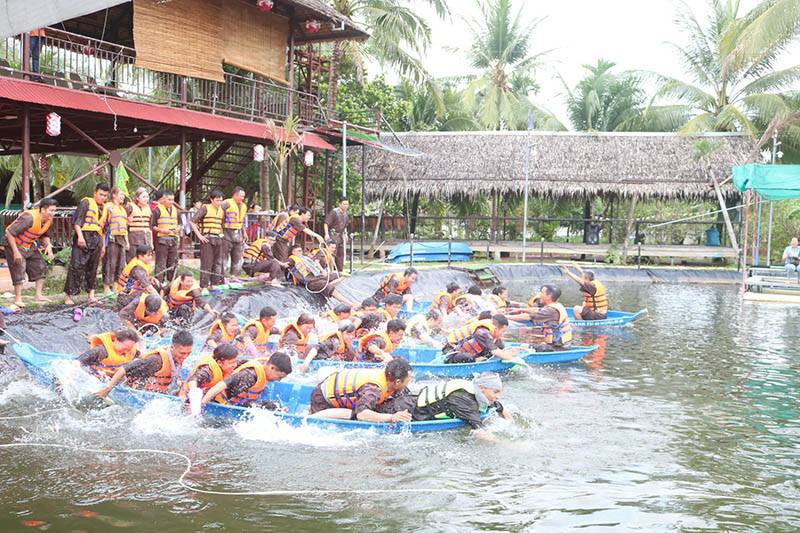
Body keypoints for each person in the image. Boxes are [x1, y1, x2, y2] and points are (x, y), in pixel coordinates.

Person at [413, 372, 513, 442]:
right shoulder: (465, 400)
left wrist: (510, 420)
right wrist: (508, 445)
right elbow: (480, 432)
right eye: (495, 392)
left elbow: (498, 406)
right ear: (482, 388)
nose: (498, 396)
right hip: (417, 415)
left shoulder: (475, 389)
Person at [94, 330, 194, 398]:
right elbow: (123, 369)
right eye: (182, 353)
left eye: (188, 353)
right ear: (172, 347)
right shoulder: (155, 361)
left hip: (158, 394)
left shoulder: (176, 357)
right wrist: (107, 389)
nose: (185, 357)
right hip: (136, 394)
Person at [309, 358, 413, 422]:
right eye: (408, 381)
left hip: (335, 386)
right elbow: (362, 414)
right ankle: (312, 414)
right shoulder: (373, 389)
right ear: (398, 382)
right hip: (323, 398)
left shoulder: (391, 381)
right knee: (355, 415)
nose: (408, 383)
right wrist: (392, 417)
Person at [4, 198, 57, 306]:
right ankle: (18, 299)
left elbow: (45, 235)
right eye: (51, 211)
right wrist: (16, 252)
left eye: (54, 211)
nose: (53, 213)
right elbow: (9, 232)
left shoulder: (48, 221)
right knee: (19, 268)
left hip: (30, 245)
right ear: (42, 209)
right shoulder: (29, 218)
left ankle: (38, 295)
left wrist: (48, 247)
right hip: (15, 244)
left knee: (40, 266)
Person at [64, 183, 110, 305]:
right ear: (95, 193)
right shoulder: (86, 202)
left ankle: (91, 295)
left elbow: (104, 229)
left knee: (93, 267)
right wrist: (80, 236)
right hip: (84, 236)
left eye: (105, 195)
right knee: (76, 266)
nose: (103, 197)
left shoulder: (105, 209)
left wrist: (103, 246)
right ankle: (69, 295)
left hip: (97, 239)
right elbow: (77, 222)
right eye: (101, 194)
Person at [200, 352, 293, 408]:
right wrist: (202, 404)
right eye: (279, 377)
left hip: (238, 404)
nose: (279, 380)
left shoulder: (263, 375)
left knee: (273, 406)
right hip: (220, 404)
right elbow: (222, 384)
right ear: (271, 368)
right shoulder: (250, 375)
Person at [286, 244, 354, 305]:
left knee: (339, 274)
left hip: (317, 276)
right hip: (310, 282)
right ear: (293, 252)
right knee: (327, 287)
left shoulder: (304, 258)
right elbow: (285, 264)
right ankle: (350, 304)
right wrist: (279, 263)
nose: (301, 252)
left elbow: (314, 262)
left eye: (301, 251)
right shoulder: (291, 259)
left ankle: (327, 287)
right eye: (298, 251)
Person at [443, 314, 524, 364]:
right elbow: (495, 351)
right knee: (468, 357)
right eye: (503, 332)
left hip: (466, 349)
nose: (502, 334)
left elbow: (497, 347)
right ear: (501, 327)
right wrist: (513, 359)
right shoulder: (482, 332)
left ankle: (479, 358)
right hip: (451, 352)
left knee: (499, 344)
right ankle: (476, 359)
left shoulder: (491, 326)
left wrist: (509, 352)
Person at [514, 285, 573, 352]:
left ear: (549, 296)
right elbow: (538, 310)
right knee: (532, 337)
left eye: (541, 292)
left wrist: (505, 317)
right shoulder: (557, 305)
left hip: (559, 347)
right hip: (561, 344)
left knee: (523, 346)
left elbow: (529, 317)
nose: (539, 295)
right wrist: (518, 310)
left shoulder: (551, 310)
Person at [189, 190, 225, 288]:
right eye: (217, 200)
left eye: (221, 200)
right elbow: (192, 222)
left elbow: (221, 225)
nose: (219, 203)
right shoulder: (205, 208)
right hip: (207, 238)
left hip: (218, 239)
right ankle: (204, 286)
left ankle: (215, 284)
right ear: (211, 200)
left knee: (217, 263)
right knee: (207, 263)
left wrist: (221, 235)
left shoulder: (221, 210)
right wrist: (199, 236)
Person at [103, 186, 130, 295]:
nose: (123, 197)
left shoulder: (123, 209)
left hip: (122, 238)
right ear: (114, 195)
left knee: (120, 263)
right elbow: (105, 222)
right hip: (112, 237)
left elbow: (125, 227)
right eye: (121, 194)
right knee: (110, 263)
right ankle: (106, 288)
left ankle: (115, 287)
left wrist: (127, 241)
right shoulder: (109, 206)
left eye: (123, 195)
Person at [150, 190, 180, 283]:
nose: (171, 202)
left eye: (172, 200)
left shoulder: (176, 210)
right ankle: (159, 283)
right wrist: (161, 230)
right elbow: (152, 226)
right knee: (161, 263)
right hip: (162, 239)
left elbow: (180, 224)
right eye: (169, 200)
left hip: (173, 239)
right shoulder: (157, 210)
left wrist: (178, 229)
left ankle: (172, 282)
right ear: (163, 200)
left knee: (173, 262)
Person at [221, 187, 248, 278]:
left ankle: (234, 276)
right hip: (226, 233)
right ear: (235, 195)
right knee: (224, 256)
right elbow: (218, 215)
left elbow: (241, 221)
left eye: (243, 196)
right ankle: (222, 276)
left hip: (238, 235)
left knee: (237, 256)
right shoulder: (226, 203)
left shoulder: (243, 206)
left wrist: (244, 232)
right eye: (241, 196)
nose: (242, 198)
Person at [324, 197, 349, 272]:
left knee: (340, 255)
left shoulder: (346, 214)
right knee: (332, 254)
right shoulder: (334, 212)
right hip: (333, 235)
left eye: (347, 204)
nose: (345, 206)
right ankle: (331, 272)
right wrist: (326, 234)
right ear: (340, 204)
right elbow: (326, 223)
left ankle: (340, 271)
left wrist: (346, 234)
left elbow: (345, 226)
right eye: (344, 204)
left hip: (340, 236)